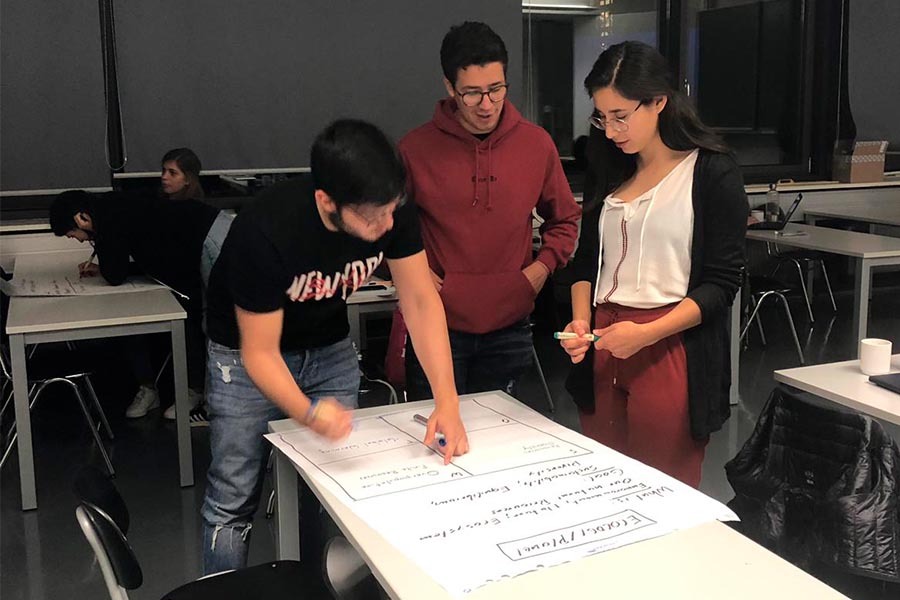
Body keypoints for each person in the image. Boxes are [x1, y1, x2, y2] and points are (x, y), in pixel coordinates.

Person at [201, 119, 468, 575]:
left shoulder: (387, 205)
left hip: (328, 347)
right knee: (234, 495)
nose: (387, 226)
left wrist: (448, 402)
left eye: (392, 211)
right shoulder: (266, 229)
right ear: (327, 202)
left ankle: (315, 586)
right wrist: (306, 413)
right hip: (244, 359)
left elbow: (421, 301)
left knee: (331, 490)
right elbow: (259, 353)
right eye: (371, 217)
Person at [559, 41, 747, 488]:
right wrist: (581, 322)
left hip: (668, 341)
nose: (610, 130)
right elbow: (584, 262)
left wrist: (646, 334)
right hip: (604, 339)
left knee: (664, 489)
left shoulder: (710, 173)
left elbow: (722, 284)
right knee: (603, 481)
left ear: (659, 101)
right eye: (601, 117)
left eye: (621, 116)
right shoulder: (609, 165)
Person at [399, 21, 580, 401]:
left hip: (509, 324)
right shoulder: (415, 149)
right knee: (433, 441)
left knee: (500, 443)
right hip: (436, 323)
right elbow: (383, 227)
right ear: (450, 88)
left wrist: (541, 268)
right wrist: (411, 273)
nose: (486, 105)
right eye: (472, 94)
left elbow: (564, 218)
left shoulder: (536, 144)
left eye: (496, 90)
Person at [49, 190, 231, 423]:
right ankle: (205, 398)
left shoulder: (108, 217)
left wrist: (99, 239)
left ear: (81, 219)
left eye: (72, 233)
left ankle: (214, 407)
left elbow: (114, 274)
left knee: (217, 322)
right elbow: (137, 253)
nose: (76, 239)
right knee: (208, 320)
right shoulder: (111, 206)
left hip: (211, 238)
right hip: (208, 232)